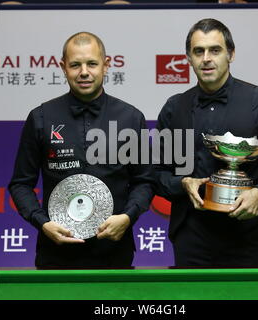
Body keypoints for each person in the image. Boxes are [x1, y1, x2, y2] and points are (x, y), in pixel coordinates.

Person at [154, 18, 258, 268]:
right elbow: (155, 173)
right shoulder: (174, 108)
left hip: (247, 238)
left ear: (231, 54)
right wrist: (182, 183)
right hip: (191, 238)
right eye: (198, 51)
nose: (206, 58)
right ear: (188, 57)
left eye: (215, 50)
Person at [8, 32, 154, 268]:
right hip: (55, 253)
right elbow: (20, 184)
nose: (84, 72)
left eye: (92, 64)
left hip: (114, 253)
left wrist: (127, 217)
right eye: (75, 65)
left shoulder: (130, 118)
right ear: (63, 67)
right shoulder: (41, 117)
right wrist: (42, 222)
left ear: (106, 66)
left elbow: (145, 181)